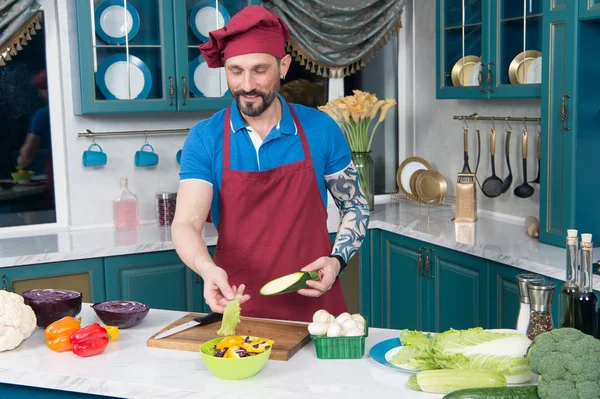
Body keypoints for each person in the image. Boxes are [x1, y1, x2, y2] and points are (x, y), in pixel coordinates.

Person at [172, 5, 370, 322]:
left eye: (260, 70)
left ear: (283, 66)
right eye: (235, 71)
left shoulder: (320, 129)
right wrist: (207, 269)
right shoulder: (206, 138)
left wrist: (336, 261)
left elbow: (356, 206)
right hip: (238, 301)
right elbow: (186, 223)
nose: (247, 84)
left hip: (316, 303)